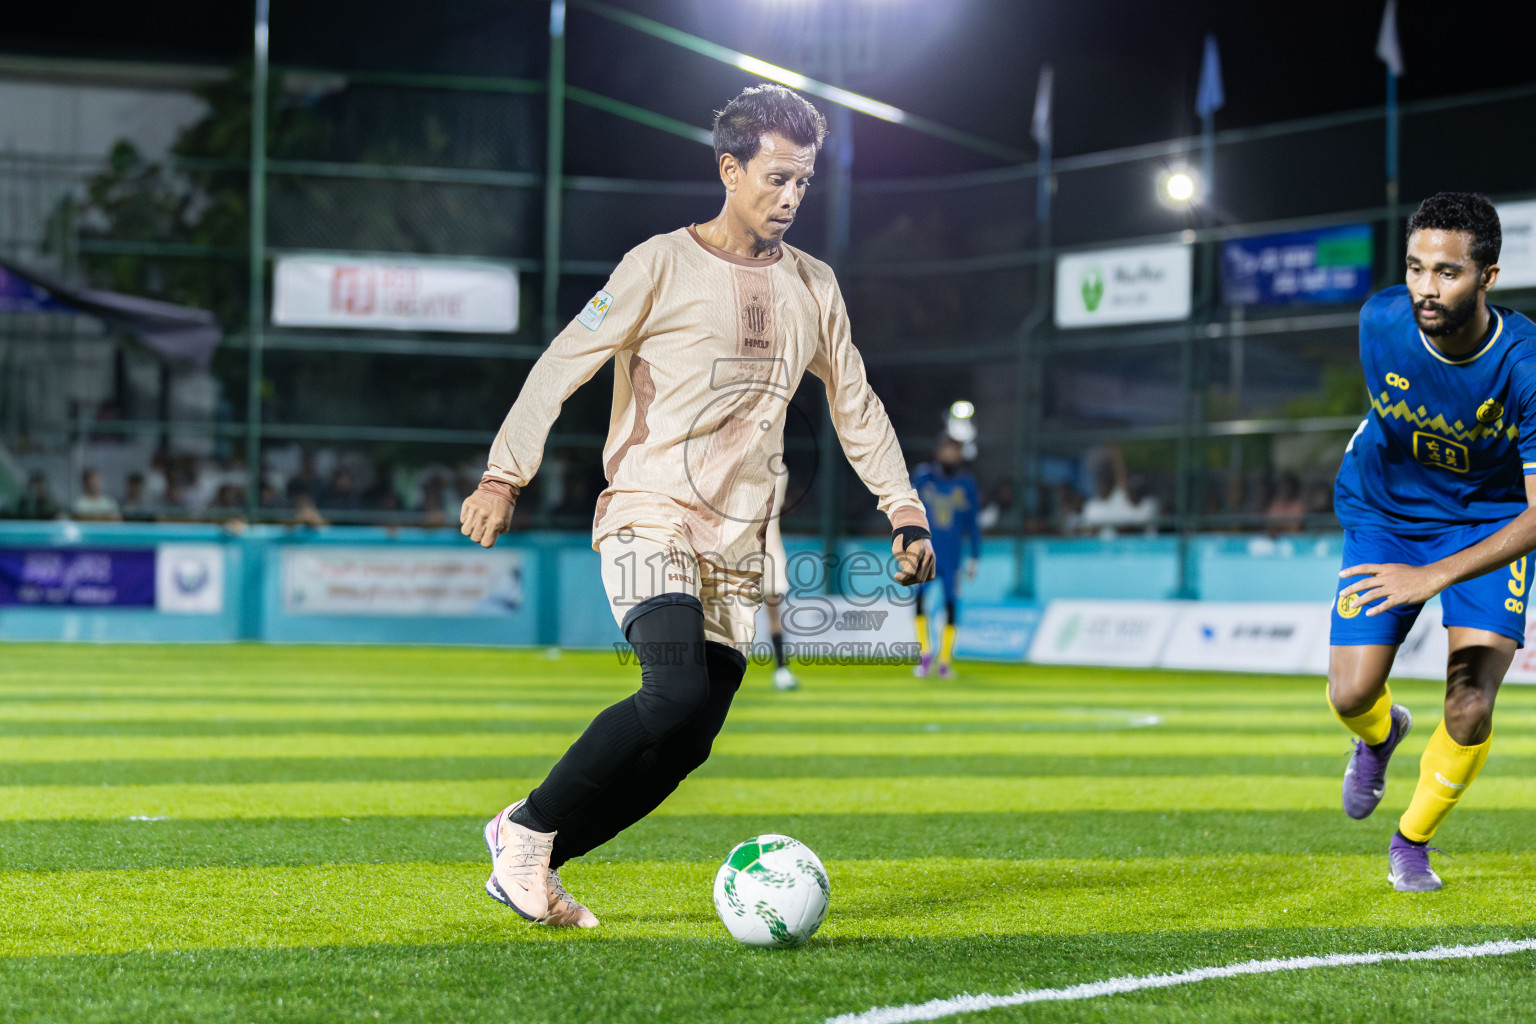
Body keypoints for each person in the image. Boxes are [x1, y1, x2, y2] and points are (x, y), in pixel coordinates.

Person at [458, 83, 935, 927]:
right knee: (670, 693)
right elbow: (561, 363)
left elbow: (855, 403)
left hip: (740, 538)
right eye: (776, 178)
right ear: (729, 168)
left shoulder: (815, 287)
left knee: (690, 741)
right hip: (650, 513)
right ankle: (527, 830)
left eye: (803, 182)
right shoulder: (659, 265)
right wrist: (505, 474)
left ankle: (526, 850)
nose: (791, 198)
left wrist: (904, 510)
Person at [1329, 192, 1536, 892]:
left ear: (1489, 276)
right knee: (1351, 693)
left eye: (1446, 272)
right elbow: (1387, 421)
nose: (1425, 287)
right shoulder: (1379, 319)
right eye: (1416, 267)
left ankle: (1411, 840)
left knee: (1470, 701)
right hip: (1387, 513)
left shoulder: (1526, 366)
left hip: (1492, 521)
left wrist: (1434, 576)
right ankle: (1382, 736)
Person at [910, 431, 980, 679]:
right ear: (939, 452)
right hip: (925, 554)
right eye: (949, 449)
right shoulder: (923, 478)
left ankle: (944, 661)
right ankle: (925, 655)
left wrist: (974, 556)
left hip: (953, 559)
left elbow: (973, 523)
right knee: (920, 602)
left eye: (957, 450)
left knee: (951, 605)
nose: (952, 455)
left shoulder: (966, 484)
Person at [763, 461, 797, 691]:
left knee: (774, 613)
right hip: (734, 551)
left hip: (769, 550)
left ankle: (781, 669)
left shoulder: (779, 469)